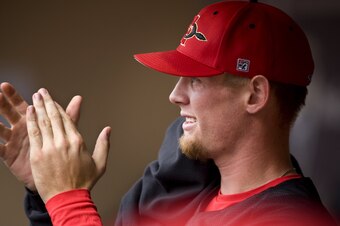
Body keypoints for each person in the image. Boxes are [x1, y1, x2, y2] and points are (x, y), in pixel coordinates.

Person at [0, 0, 337, 225]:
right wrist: (47, 194)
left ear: (255, 94)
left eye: (196, 80)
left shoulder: (290, 218)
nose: (175, 95)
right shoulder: (179, 185)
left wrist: (69, 199)